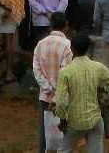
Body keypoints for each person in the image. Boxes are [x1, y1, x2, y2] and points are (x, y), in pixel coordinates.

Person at [54, 33, 109, 153]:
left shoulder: (66, 72)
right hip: (95, 119)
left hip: (75, 121)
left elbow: (60, 102)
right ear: (88, 48)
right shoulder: (97, 67)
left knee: (64, 150)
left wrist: (63, 119)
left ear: (72, 49)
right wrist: (103, 91)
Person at [33, 12, 73, 153]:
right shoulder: (67, 45)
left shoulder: (40, 44)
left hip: (45, 96)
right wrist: (57, 96)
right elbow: (65, 74)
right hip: (62, 98)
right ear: (66, 26)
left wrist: (47, 88)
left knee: (45, 133)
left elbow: (36, 70)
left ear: (51, 26)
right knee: (63, 134)